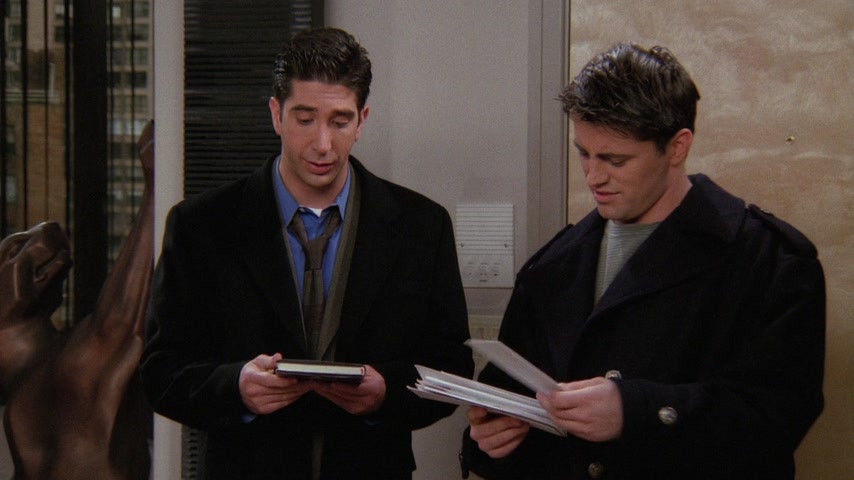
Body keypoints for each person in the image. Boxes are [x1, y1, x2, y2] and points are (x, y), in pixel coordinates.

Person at [461, 43, 825, 479]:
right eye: (584, 153)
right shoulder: (554, 265)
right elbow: (507, 399)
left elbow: (777, 418)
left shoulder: (770, 261)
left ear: (677, 147)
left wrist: (638, 411)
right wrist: (492, 439)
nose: (594, 176)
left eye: (615, 160)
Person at [139, 27, 473, 480]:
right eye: (305, 119)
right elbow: (160, 372)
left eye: (339, 121)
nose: (322, 144)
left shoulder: (422, 227)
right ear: (276, 115)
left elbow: (452, 366)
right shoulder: (201, 226)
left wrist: (387, 392)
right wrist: (235, 387)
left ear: (362, 120)